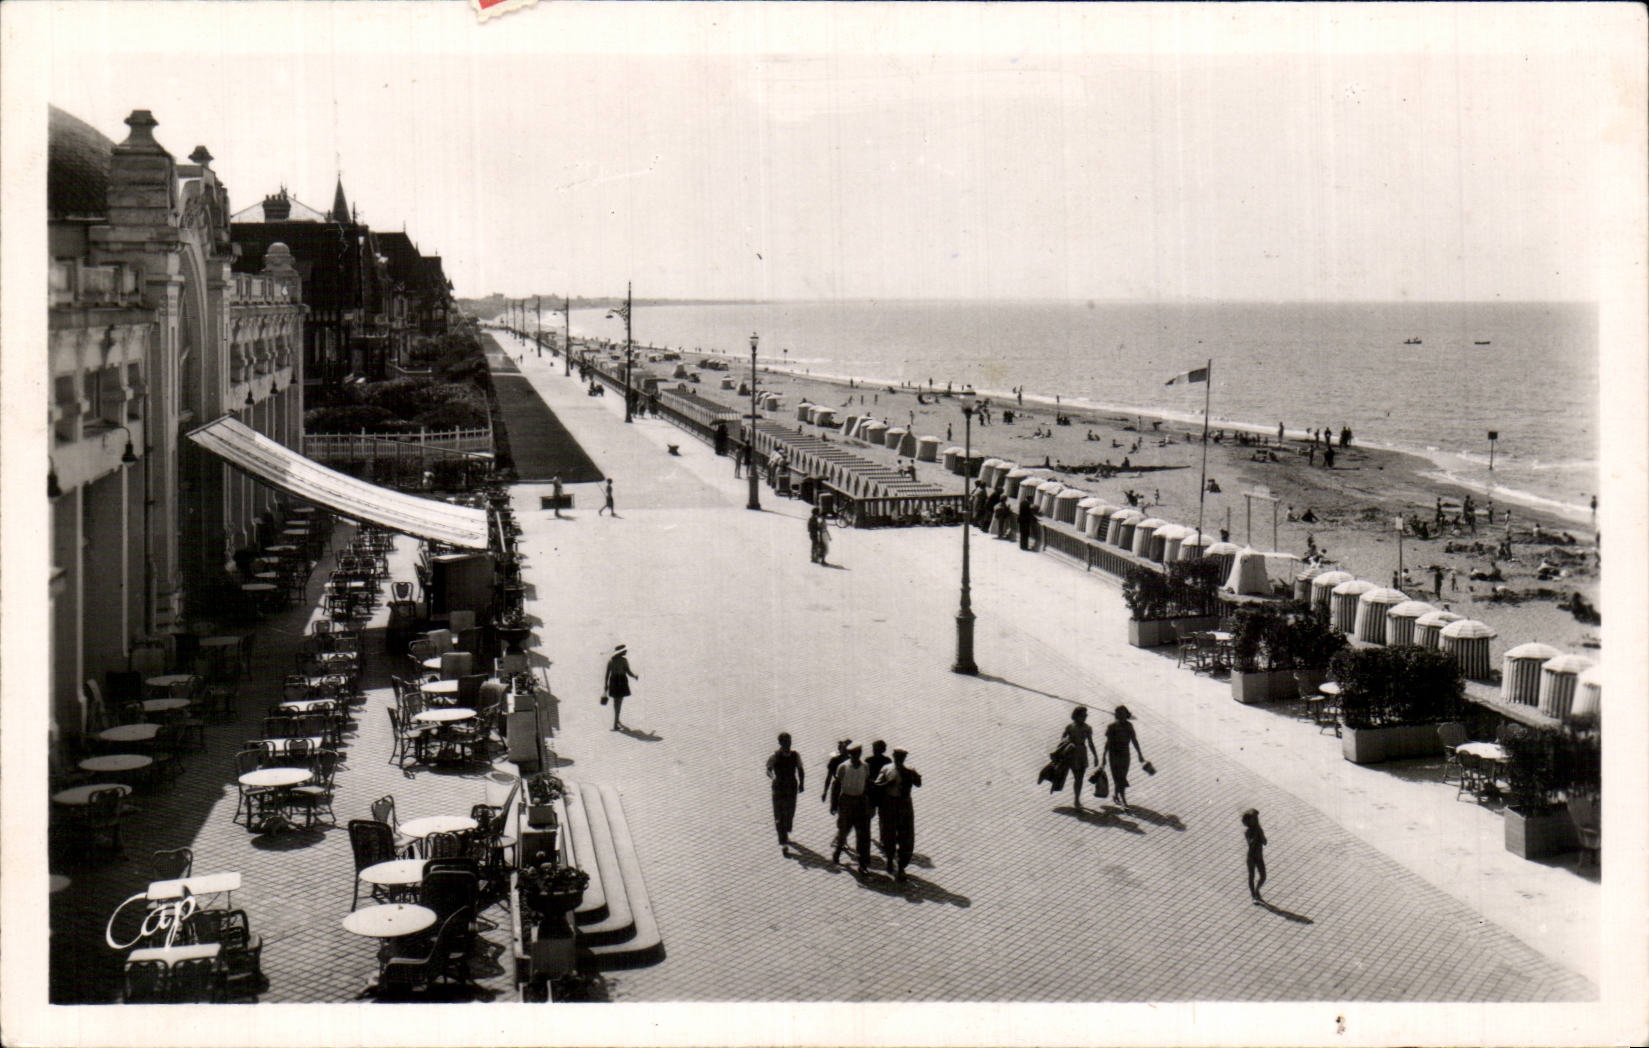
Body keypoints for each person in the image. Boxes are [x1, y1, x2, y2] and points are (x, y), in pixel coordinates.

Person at [874, 749, 922, 882]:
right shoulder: (887, 769)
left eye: (902, 757)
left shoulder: (909, 770)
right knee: (888, 834)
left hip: (904, 805)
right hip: (889, 804)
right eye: (897, 756)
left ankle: (901, 867)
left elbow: (918, 784)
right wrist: (887, 784)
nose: (899, 759)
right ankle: (890, 859)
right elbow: (877, 785)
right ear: (894, 757)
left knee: (905, 837)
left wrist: (915, 777)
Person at [830, 745, 873, 876]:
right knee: (844, 829)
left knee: (864, 834)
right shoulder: (843, 767)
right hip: (846, 801)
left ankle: (863, 864)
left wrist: (870, 805)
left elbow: (868, 786)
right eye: (853, 754)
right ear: (849, 754)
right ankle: (838, 850)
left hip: (861, 802)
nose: (855, 756)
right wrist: (834, 804)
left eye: (857, 753)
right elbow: (836, 786)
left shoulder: (865, 767)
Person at [1101, 705, 1146, 812]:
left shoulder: (1129, 726)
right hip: (1114, 754)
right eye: (1119, 714)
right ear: (1116, 715)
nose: (1121, 716)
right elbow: (1108, 743)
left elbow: (1134, 740)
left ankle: (1116, 795)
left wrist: (1139, 754)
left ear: (1127, 715)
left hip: (1125, 754)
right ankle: (1124, 800)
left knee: (1122, 776)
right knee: (1119, 777)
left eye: (1123, 714)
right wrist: (1104, 757)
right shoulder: (1112, 727)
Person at [766, 733, 805, 855]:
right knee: (779, 813)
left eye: (789, 741)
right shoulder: (775, 756)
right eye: (786, 742)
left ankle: (786, 831)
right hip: (779, 787)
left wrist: (802, 783)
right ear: (780, 743)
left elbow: (800, 769)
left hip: (791, 787)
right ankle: (782, 840)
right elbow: (768, 769)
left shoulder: (795, 755)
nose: (788, 744)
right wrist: (772, 776)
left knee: (790, 812)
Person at [1060, 707, 1101, 808]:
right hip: (1072, 753)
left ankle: (1077, 799)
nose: (1085, 717)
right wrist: (1067, 742)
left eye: (1086, 715)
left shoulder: (1087, 728)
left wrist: (1095, 756)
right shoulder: (1070, 727)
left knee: (1079, 778)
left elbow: (1090, 743)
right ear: (1076, 716)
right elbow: (1063, 737)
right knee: (1076, 777)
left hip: (1082, 753)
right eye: (1082, 715)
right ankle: (1076, 800)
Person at [864, 740, 892, 853]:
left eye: (877, 748)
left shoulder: (869, 760)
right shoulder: (886, 761)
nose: (875, 750)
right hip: (878, 793)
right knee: (877, 817)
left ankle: (880, 839)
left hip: (876, 793)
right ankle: (881, 840)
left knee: (877, 817)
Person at [603, 644, 638, 730]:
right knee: (619, 703)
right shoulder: (624, 661)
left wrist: (606, 685)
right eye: (624, 651)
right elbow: (628, 672)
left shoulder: (611, 661)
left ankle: (617, 720)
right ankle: (615, 722)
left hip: (613, 682)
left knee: (615, 703)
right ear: (621, 652)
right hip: (621, 682)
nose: (626, 652)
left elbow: (607, 674)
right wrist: (635, 676)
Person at [1242, 808, 1268, 902]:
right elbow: (1251, 843)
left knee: (1263, 876)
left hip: (1259, 857)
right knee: (1251, 875)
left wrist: (1261, 834)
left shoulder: (1259, 830)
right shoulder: (1248, 832)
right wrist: (1256, 835)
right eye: (1254, 818)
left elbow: (1265, 842)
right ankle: (1253, 895)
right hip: (1251, 857)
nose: (1257, 820)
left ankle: (1257, 890)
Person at [821, 739, 852, 814]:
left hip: (842, 787)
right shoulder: (836, 760)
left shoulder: (836, 760)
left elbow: (828, 777)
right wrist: (825, 791)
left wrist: (825, 792)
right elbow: (828, 777)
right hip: (842, 787)